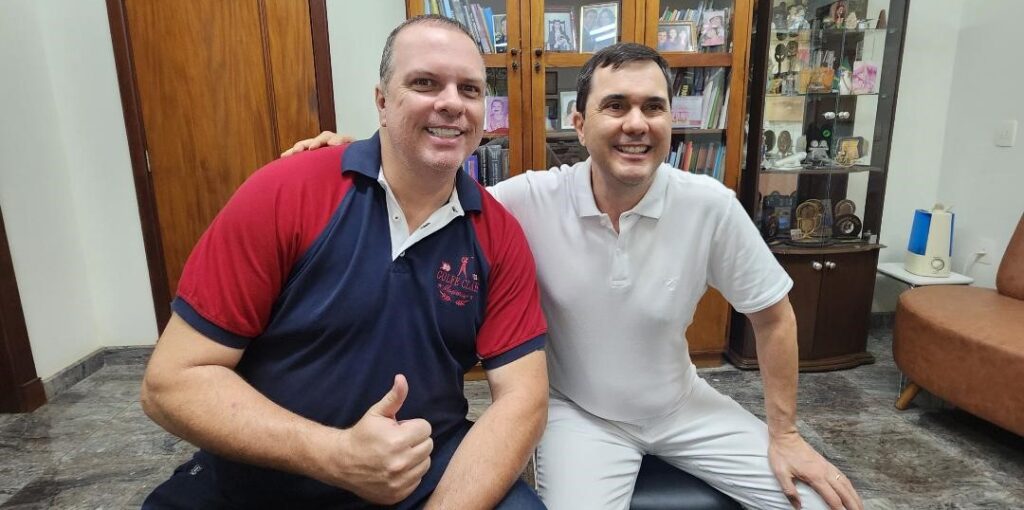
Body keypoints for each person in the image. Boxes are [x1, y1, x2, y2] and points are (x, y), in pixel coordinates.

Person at [284, 43, 863, 510]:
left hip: (682, 406)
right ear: (580, 124)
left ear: (671, 122)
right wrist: (350, 155)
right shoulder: (527, 200)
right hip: (579, 415)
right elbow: (432, 189)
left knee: (819, 500)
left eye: (653, 107)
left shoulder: (710, 205)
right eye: (616, 106)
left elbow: (773, 317)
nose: (636, 124)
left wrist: (785, 435)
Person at [141, 15, 549, 510]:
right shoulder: (285, 192)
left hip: (421, 472)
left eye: (470, 90)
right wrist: (335, 455)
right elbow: (171, 383)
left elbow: (523, 399)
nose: (451, 103)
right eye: (424, 83)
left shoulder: (499, 235)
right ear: (382, 101)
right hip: (265, 476)